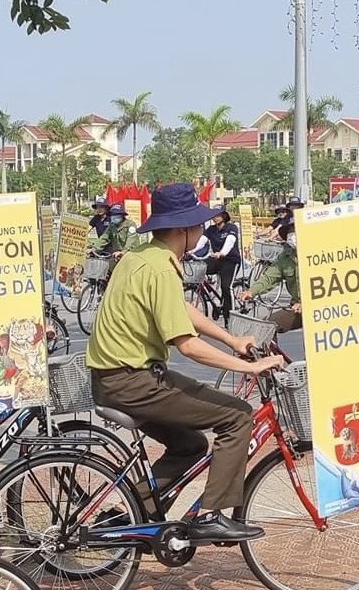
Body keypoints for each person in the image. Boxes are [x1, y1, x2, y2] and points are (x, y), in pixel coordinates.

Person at [86, 183, 284, 544]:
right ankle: (211, 515)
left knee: (190, 446)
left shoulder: (142, 256)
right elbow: (188, 346)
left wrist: (231, 339)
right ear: (182, 230)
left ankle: (134, 515)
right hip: (133, 381)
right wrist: (250, 368)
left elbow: (184, 311)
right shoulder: (161, 268)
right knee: (237, 415)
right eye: (198, 225)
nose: (202, 231)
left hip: (113, 379)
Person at [240, 218, 302, 333]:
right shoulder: (285, 257)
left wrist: (306, 304)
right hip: (296, 309)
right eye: (289, 231)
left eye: (295, 230)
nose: (292, 234)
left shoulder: (319, 252)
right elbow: (270, 277)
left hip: (322, 309)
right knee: (267, 328)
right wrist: (252, 291)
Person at [200, 209, 241, 322]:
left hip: (230, 260)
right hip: (217, 260)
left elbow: (230, 241)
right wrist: (189, 251)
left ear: (224, 216)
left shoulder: (231, 228)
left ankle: (231, 318)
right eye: (214, 215)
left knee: (226, 287)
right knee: (200, 268)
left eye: (218, 215)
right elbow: (201, 242)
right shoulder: (211, 230)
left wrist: (222, 252)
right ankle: (209, 295)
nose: (215, 217)